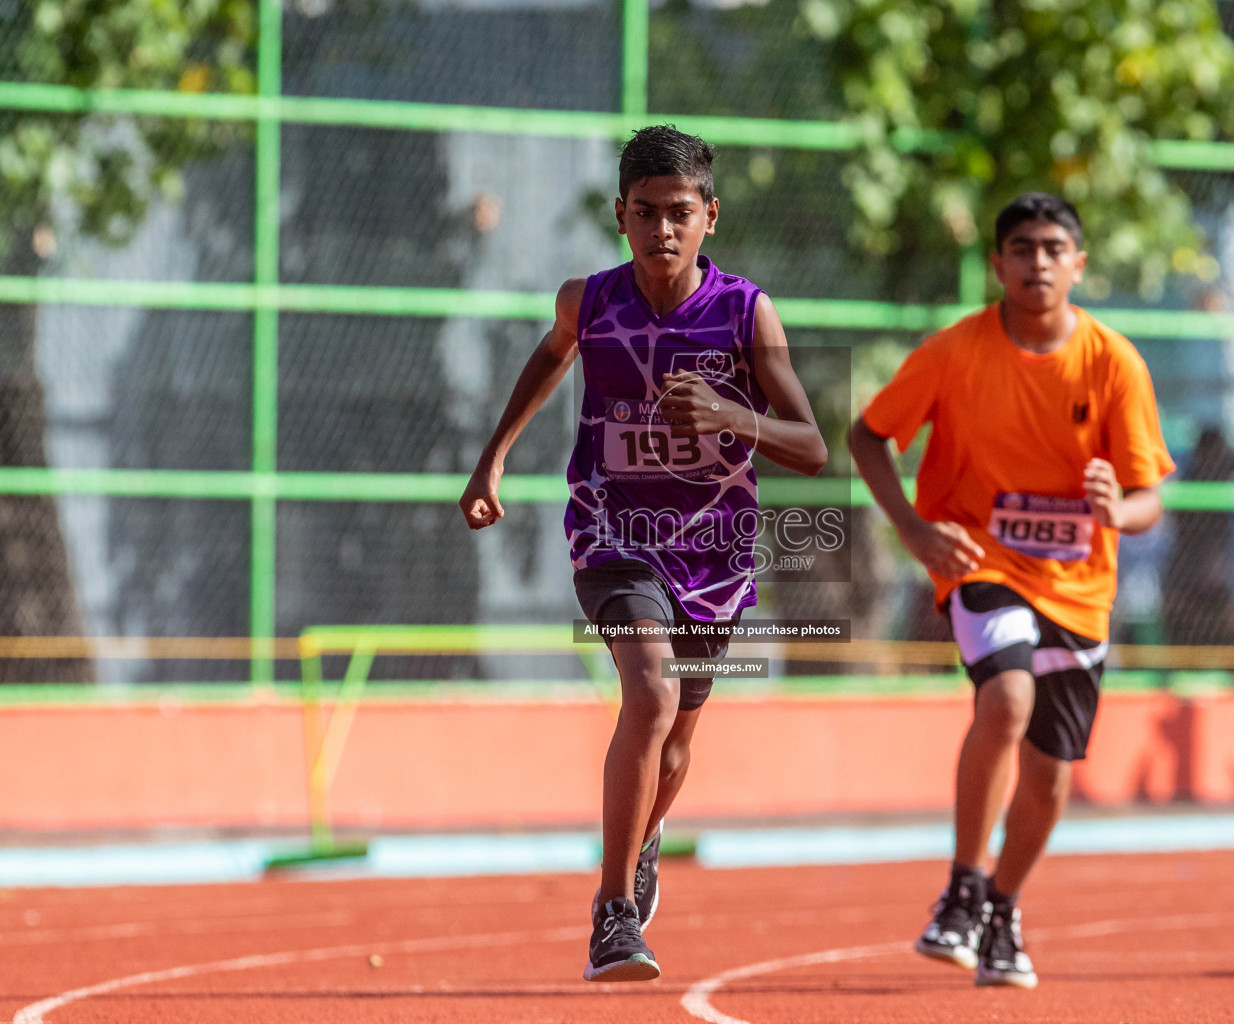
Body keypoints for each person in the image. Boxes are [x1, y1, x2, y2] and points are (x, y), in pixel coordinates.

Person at [460, 125, 826, 982]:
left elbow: (809, 445)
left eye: (681, 213)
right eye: (646, 212)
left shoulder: (744, 313)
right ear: (620, 215)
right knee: (650, 690)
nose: (663, 229)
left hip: (715, 552)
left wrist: (733, 417)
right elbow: (551, 360)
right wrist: (495, 456)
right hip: (613, 532)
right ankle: (614, 913)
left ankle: (646, 835)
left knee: (675, 736)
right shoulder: (587, 301)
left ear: (711, 218)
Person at [849, 193, 1173, 988]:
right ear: (998, 264)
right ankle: (962, 887)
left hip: (1079, 591)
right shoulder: (956, 352)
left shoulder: (1113, 362)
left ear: (1079, 264)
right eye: (1021, 248)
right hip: (980, 564)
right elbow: (868, 435)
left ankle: (1003, 907)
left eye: (1053, 248)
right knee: (1006, 703)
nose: (1037, 262)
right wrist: (915, 532)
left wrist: (1116, 509)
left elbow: (1148, 500)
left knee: (1052, 773)